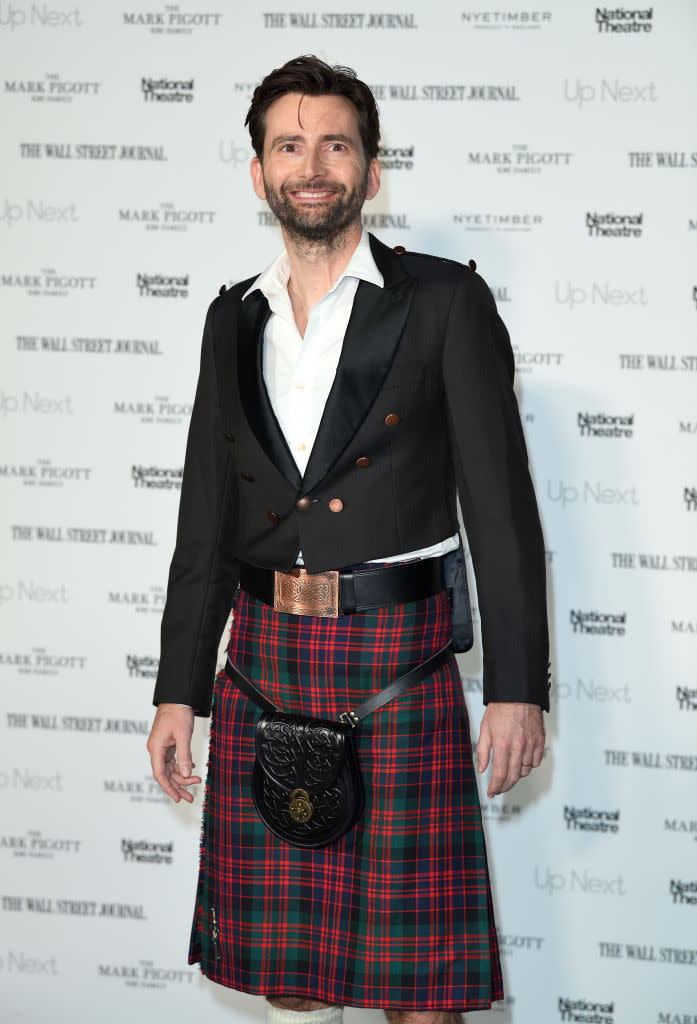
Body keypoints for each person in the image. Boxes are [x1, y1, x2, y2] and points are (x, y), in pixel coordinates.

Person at [147, 55, 550, 1024]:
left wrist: (517, 689)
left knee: (419, 988)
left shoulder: (443, 302)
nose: (312, 164)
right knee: (290, 975)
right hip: (264, 661)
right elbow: (204, 517)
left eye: (335, 143)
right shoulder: (229, 319)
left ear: (370, 168)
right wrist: (177, 689)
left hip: (395, 664)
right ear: (260, 173)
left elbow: (501, 510)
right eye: (289, 145)